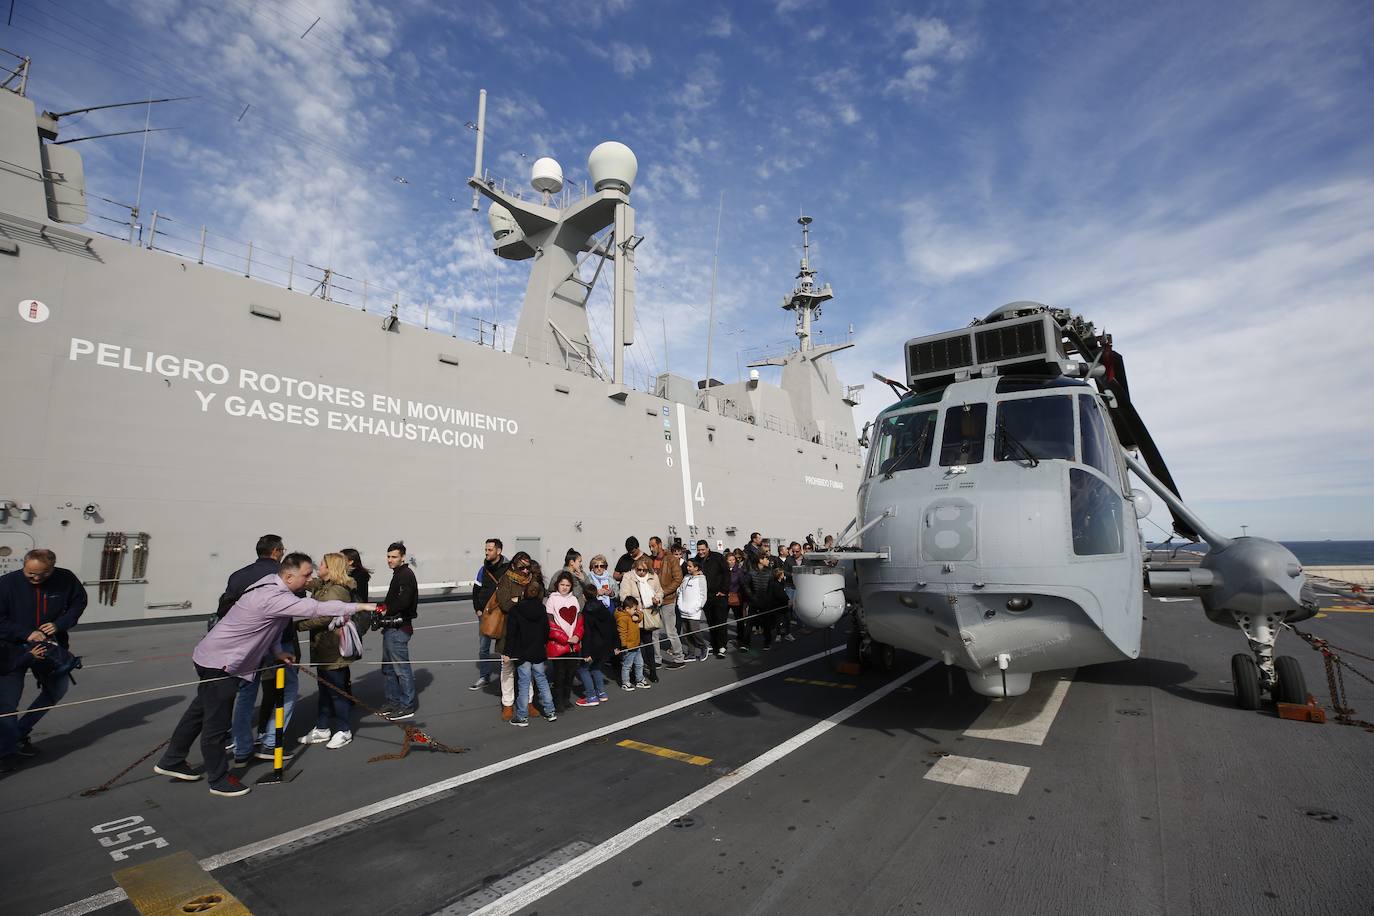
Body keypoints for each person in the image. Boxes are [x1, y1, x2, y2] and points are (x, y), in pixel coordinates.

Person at [153, 553, 373, 797]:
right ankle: (219, 779)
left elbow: (266, 628)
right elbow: (316, 608)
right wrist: (362, 606)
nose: (309, 579)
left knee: (199, 711)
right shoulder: (273, 596)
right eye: (305, 575)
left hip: (213, 656)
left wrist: (277, 651)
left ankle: (172, 759)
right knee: (216, 723)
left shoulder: (270, 583)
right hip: (222, 663)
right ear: (289, 576)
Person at [0, 548, 87, 771]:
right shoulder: (6, 584)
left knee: (57, 690)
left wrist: (61, 623)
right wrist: (25, 633)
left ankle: (19, 734)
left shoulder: (66, 579)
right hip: (11, 652)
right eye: (31, 574)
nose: (37, 579)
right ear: (24, 566)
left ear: (53, 568)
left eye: (43, 574)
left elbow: (79, 602)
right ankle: (6, 751)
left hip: (50, 649)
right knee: (7, 703)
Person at [225, 535, 293, 765]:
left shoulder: (238, 576)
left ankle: (241, 748)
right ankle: (271, 741)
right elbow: (298, 599)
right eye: (282, 549)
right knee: (286, 689)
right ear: (275, 551)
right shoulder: (282, 575)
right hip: (278, 641)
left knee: (245, 694)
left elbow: (226, 605)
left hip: (244, 643)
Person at [296, 553, 361, 749]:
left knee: (336, 691)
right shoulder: (324, 586)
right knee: (324, 690)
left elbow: (325, 617)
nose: (318, 566)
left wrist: (298, 626)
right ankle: (322, 728)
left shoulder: (337, 590)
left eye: (322, 564)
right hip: (323, 647)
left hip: (333, 648)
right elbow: (309, 583)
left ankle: (344, 730)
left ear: (330, 568)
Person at [503, 579, 555, 727]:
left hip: (522, 652)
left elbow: (511, 634)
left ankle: (522, 716)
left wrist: (507, 652)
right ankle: (550, 711)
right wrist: (542, 643)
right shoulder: (541, 608)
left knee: (524, 683)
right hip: (538, 651)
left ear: (524, 593)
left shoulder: (516, 610)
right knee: (542, 680)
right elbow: (546, 630)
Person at [378, 542, 418, 720]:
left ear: (402, 557)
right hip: (391, 628)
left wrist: (386, 610)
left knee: (401, 669)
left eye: (394, 557)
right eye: (388, 556)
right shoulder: (399, 574)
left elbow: (404, 602)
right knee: (388, 669)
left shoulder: (406, 575)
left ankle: (406, 705)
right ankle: (393, 702)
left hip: (399, 628)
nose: (390, 560)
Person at [490, 552, 533, 721]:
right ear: (514, 565)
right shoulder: (505, 580)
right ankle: (507, 704)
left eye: (527, 567)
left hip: (528, 631)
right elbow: (505, 604)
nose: (524, 570)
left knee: (527, 669)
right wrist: (522, 602)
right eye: (521, 567)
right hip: (508, 631)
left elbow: (536, 600)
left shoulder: (532, 579)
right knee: (507, 669)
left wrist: (517, 601)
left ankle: (528, 701)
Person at [469, 538, 507, 691]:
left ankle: (507, 677)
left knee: (504, 647)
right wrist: (477, 608)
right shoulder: (483, 569)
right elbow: (476, 590)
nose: (486, 552)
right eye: (485, 550)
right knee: (483, 647)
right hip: (484, 615)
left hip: (502, 614)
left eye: (490, 550)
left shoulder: (507, 568)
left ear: (498, 551)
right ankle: (484, 676)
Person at [544, 571, 584, 714]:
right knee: (559, 674)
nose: (565, 587)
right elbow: (550, 623)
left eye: (567, 585)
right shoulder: (552, 600)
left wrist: (577, 636)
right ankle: (558, 701)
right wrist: (565, 638)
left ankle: (566, 699)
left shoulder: (574, 600)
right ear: (557, 585)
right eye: (562, 584)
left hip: (574, 644)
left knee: (571, 673)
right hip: (559, 645)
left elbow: (579, 621)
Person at [622, 558, 663, 682]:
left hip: (650, 613)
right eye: (638, 569)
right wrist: (635, 607)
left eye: (644, 570)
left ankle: (652, 671)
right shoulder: (628, 577)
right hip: (635, 615)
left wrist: (657, 599)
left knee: (649, 644)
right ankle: (634, 672)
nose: (641, 572)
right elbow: (624, 596)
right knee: (634, 645)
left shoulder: (653, 576)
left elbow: (660, 591)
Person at [577, 582, 616, 706]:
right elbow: (613, 626)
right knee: (596, 667)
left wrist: (586, 652)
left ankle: (591, 696)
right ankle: (601, 693)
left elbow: (587, 633)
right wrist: (616, 645)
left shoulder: (587, 611)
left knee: (583, 669)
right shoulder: (603, 608)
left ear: (584, 596)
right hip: (605, 645)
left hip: (593, 645)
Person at [650, 536, 685, 664]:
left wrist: (663, 592)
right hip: (653, 602)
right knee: (654, 633)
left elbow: (678, 579)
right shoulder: (650, 560)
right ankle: (657, 659)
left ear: (659, 545)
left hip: (668, 600)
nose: (651, 548)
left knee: (671, 631)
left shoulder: (670, 558)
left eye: (653, 546)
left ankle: (679, 658)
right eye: (650, 546)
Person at [695, 540, 730, 658]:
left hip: (719, 595)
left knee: (720, 621)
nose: (701, 552)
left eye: (703, 549)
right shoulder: (696, 560)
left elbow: (726, 573)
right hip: (706, 596)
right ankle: (715, 645)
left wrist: (724, 590)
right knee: (711, 622)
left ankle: (722, 646)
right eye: (699, 550)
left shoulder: (718, 557)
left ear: (707, 548)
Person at [676, 558, 709, 662]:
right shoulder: (686, 577)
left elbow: (703, 596)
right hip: (683, 610)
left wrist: (696, 608)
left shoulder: (701, 579)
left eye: (690, 566)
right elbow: (680, 591)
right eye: (687, 566)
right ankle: (691, 653)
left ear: (696, 568)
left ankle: (703, 647)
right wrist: (680, 604)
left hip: (694, 611)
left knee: (694, 631)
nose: (687, 568)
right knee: (686, 632)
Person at [615, 596, 649, 689]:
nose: (636, 611)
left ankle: (640, 680)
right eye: (634, 609)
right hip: (629, 647)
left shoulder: (632, 615)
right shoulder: (622, 618)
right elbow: (622, 633)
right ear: (627, 609)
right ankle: (625, 682)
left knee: (640, 663)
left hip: (636, 644)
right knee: (627, 665)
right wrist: (624, 645)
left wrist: (637, 615)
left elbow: (641, 614)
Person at [726, 550, 747, 651]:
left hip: (736, 597)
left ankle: (741, 639)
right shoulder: (724, 571)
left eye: (733, 560)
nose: (732, 561)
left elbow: (743, 585)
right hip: (725, 597)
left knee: (739, 620)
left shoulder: (739, 571)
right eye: (730, 560)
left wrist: (744, 598)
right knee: (722, 619)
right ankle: (722, 641)